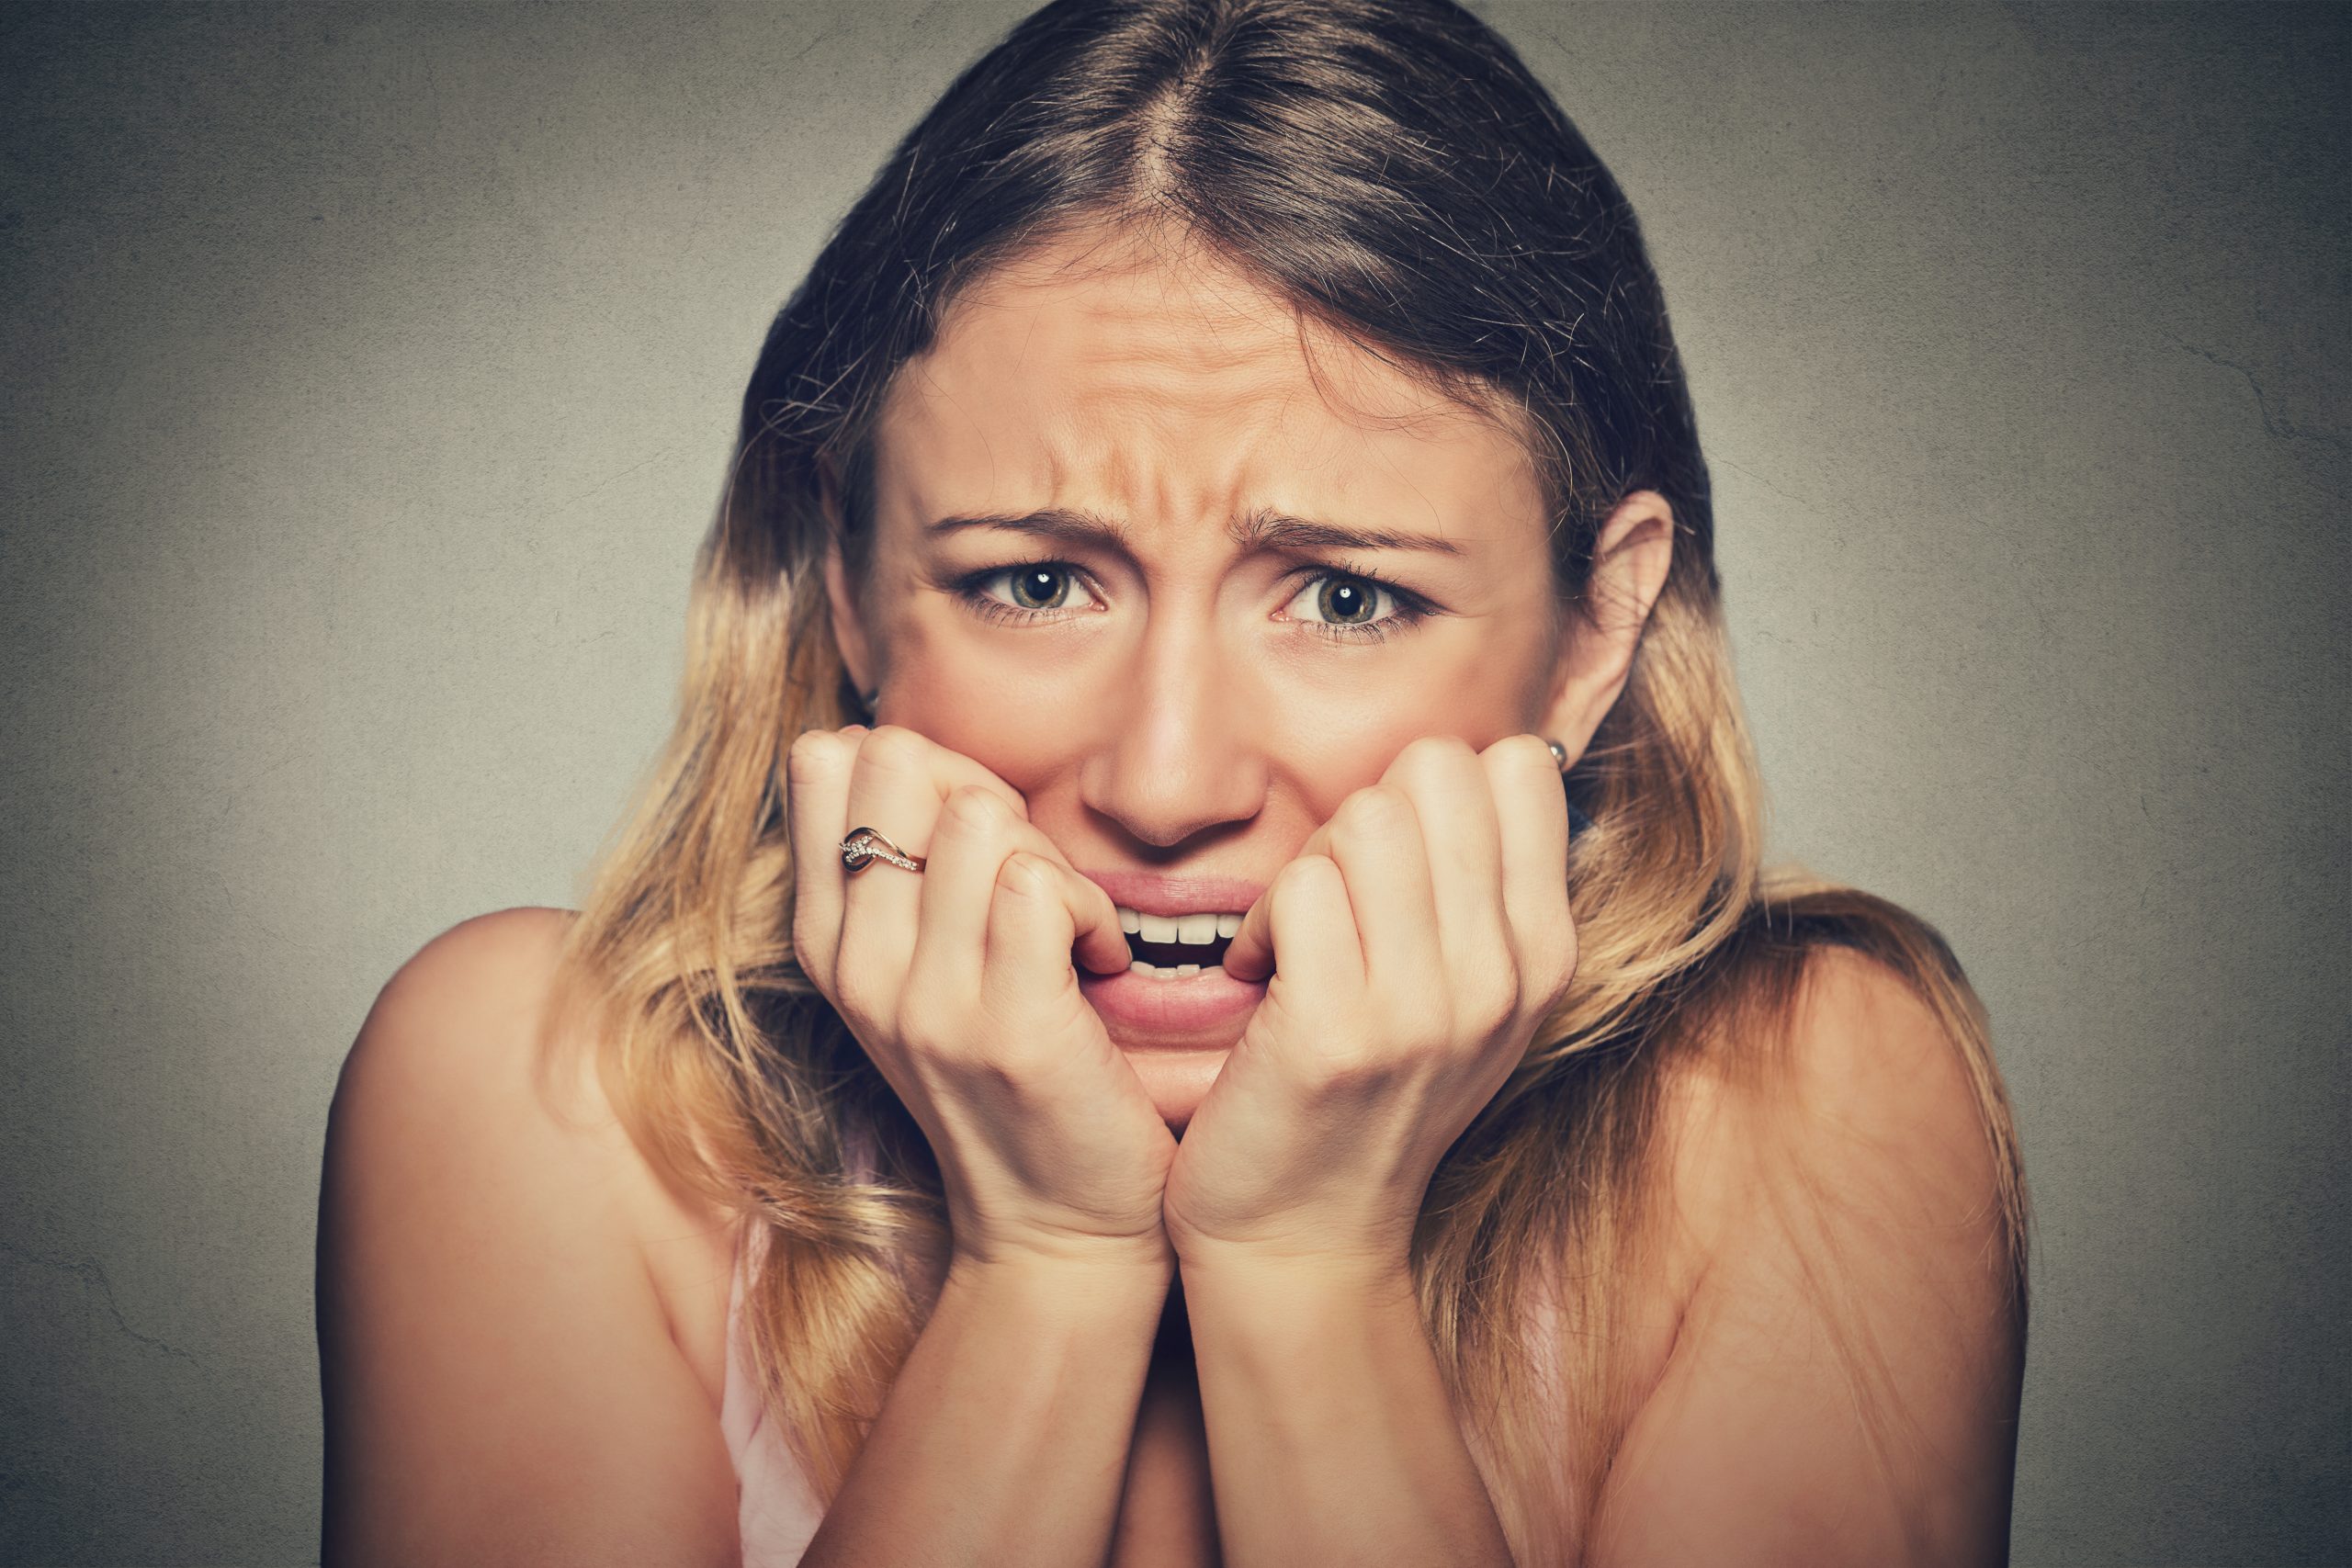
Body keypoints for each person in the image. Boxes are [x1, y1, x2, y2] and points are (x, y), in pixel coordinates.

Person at [314, 0, 2030, 1562]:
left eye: (1349, 598)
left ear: (1593, 636)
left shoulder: (1803, 1103)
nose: (1165, 777)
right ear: (844, 581)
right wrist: (1042, 1267)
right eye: (1037, 582)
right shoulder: (548, 1087)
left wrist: (1305, 1264)